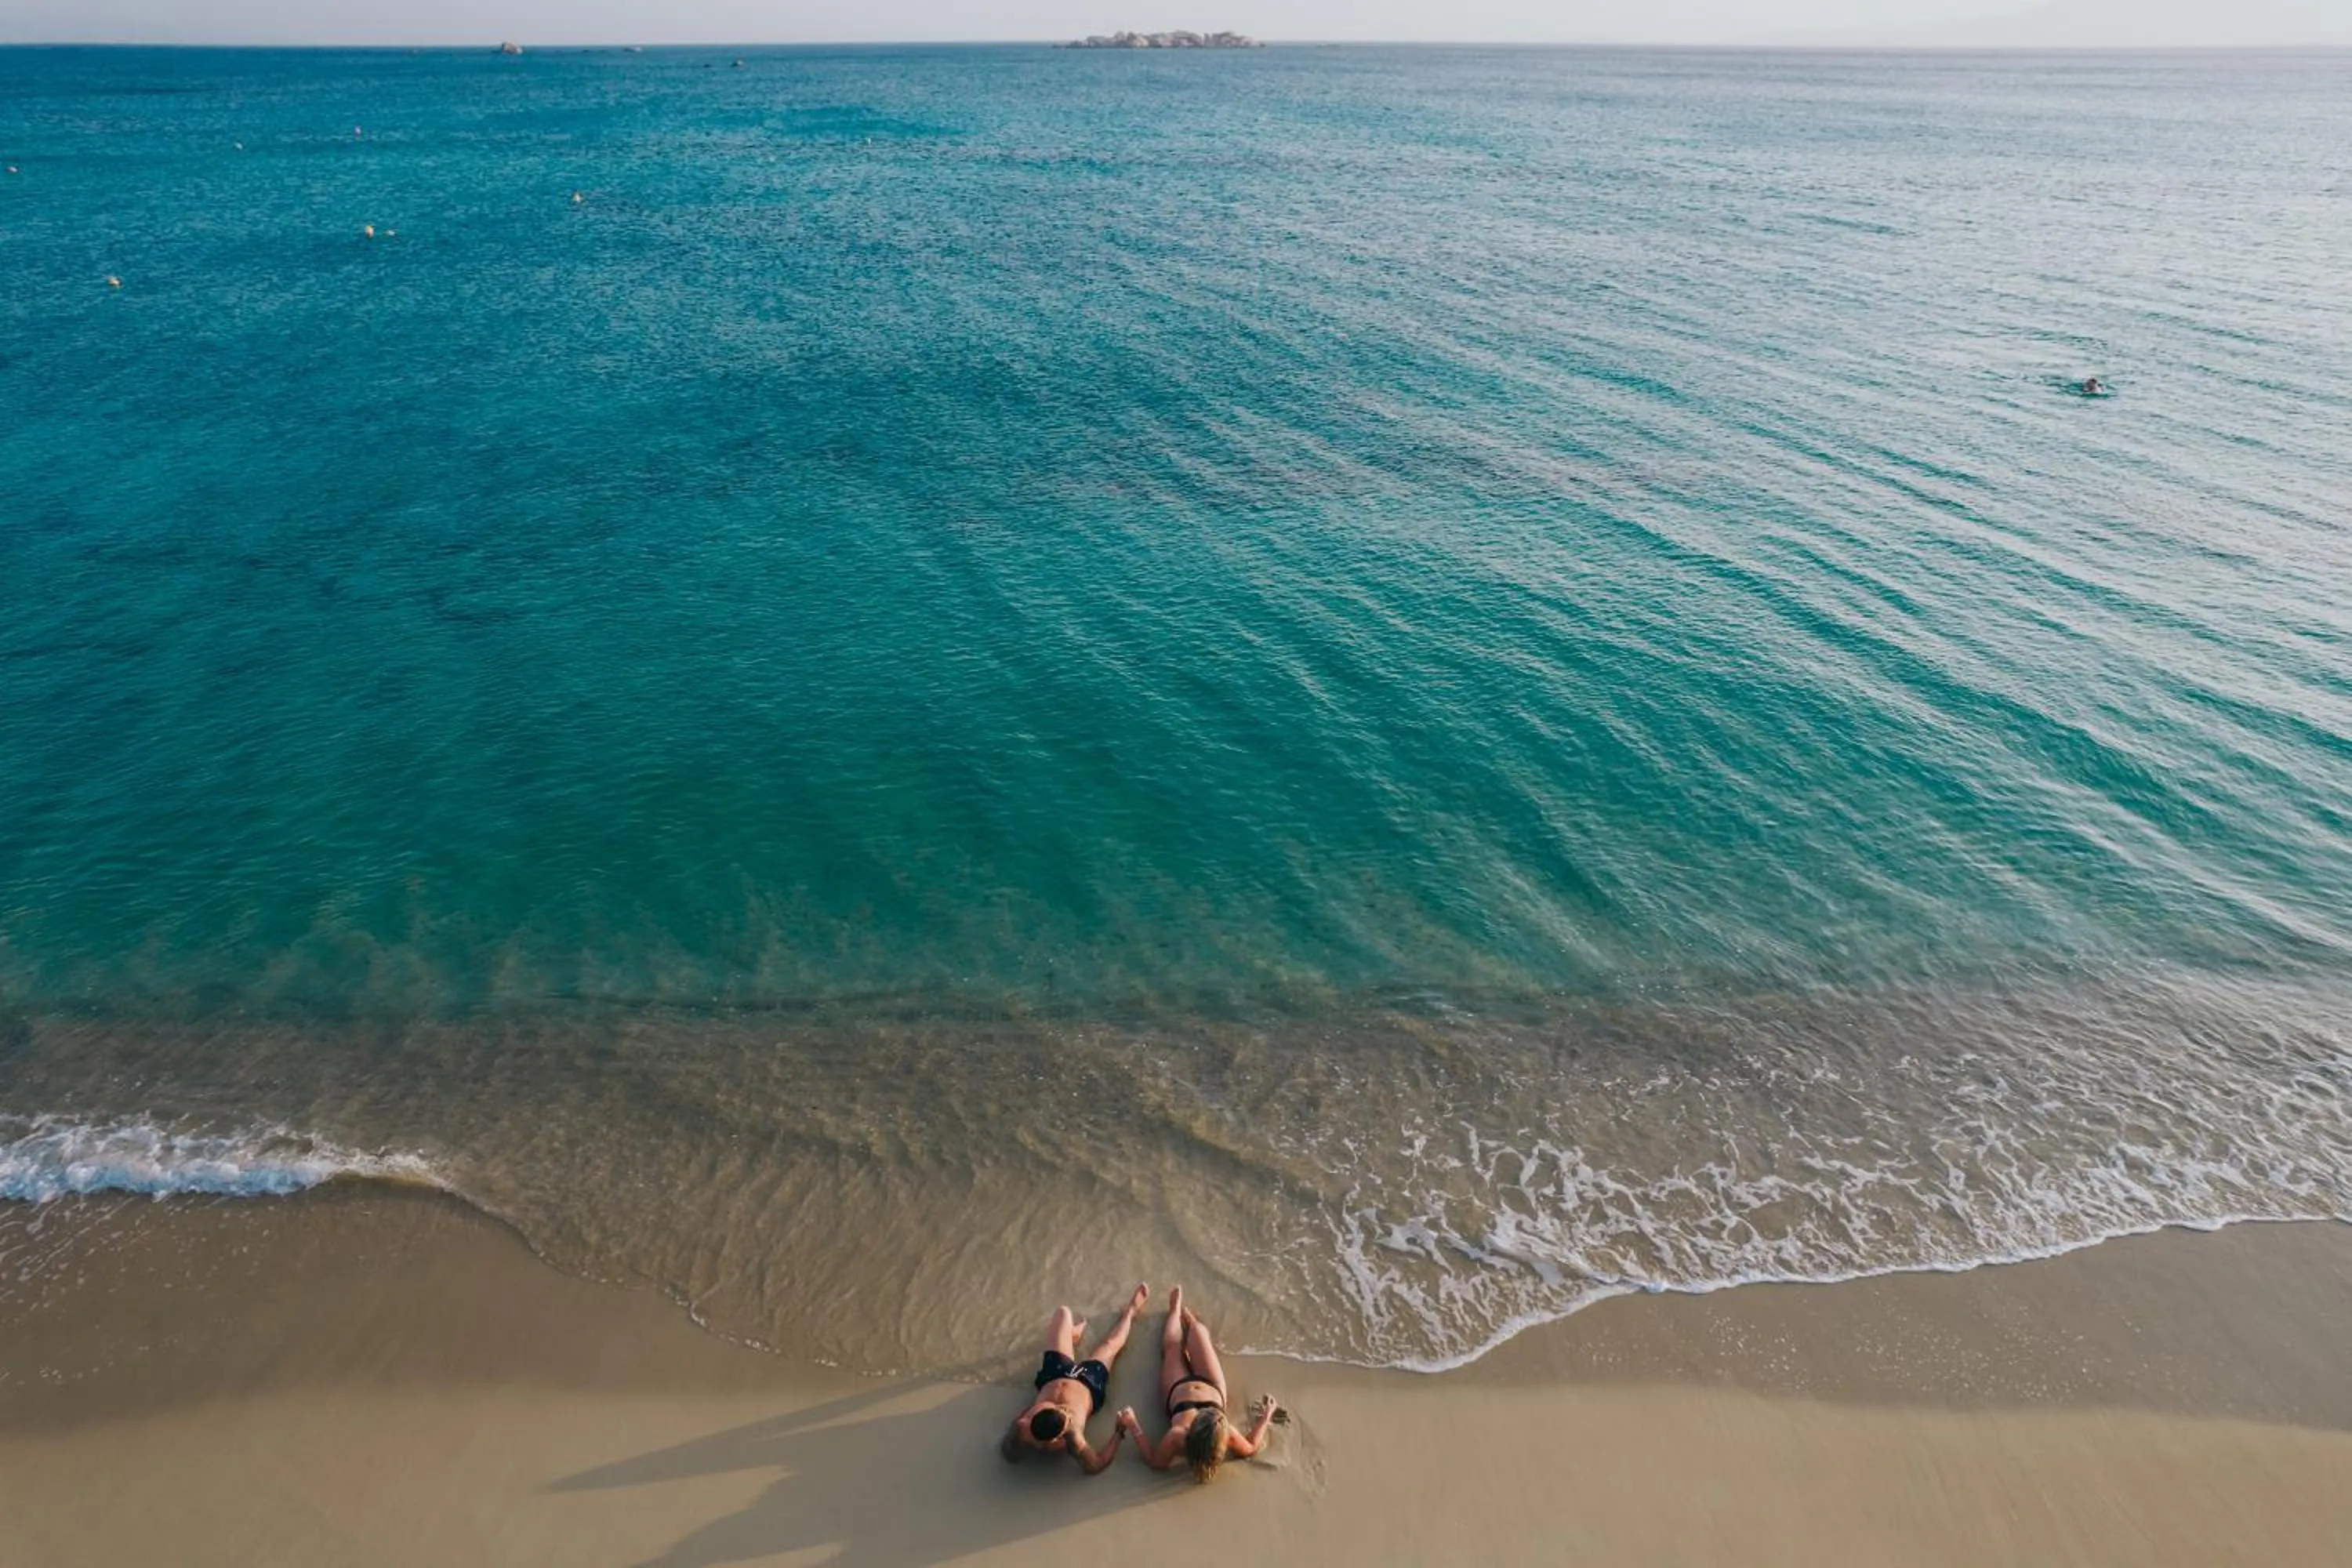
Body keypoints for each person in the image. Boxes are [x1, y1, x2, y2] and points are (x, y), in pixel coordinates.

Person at [1116, 1285, 1280, 1483]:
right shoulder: (1224, 1431)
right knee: (1199, 1331)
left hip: (1177, 1392)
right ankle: (1191, 1322)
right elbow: (1252, 1447)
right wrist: (1266, 1416)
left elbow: (1155, 1461)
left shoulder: (1177, 1436)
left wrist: (1133, 1424)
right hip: (1212, 1386)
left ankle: (1175, 1310)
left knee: (1172, 1347)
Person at [1000, 1284, 1149, 1473]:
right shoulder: (1072, 1437)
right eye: (1064, 1412)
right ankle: (1131, 1312)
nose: (1063, 1408)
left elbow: (1007, 1450)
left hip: (1054, 1374)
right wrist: (1119, 1432)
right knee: (1111, 1345)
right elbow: (1097, 1464)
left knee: (1063, 1312)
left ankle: (1072, 1336)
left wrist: (1017, 1424)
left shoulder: (1021, 1425)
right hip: (1090, 1384)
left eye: (1058, 1409)